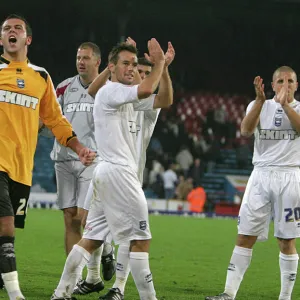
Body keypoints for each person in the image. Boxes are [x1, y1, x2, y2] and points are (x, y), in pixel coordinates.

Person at [51, 39, 172, 300]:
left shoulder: (115, 93)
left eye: (134, 64)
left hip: (106, 172)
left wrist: (164, 68)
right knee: (140, 240)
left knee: (91, 238)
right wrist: (158, 62)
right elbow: (147, 86)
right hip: (120, 174)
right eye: (126, 64)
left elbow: (164, 98)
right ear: (113, 68)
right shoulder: (113, 91)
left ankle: (61, 293)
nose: (131, 68)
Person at [0, 14, 95, 300]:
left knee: (5, 227)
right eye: (6, 29)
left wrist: (78, 147)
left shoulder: (40, 77)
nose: (11, 31)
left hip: (20, 167)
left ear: (27, 39)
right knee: (5, 223)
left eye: (17, 28)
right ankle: (16, 293)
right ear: (1, 39)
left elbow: (56, 120)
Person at [205, 66, 300, 300]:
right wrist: (259, 100)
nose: (285, 85)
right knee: (245, 234)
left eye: (290, 81)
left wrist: (286, 105)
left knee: (286, 239)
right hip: (260, 175)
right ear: (272, 84)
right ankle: (228, 293)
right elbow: (246, 130)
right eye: (280, 81)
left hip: (290, 175)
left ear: (296, 86)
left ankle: (285, 297)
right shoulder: (260, 105)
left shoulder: (298, 108)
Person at [99, 44, 175, 300]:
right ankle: (88, 281)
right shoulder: (119, 94)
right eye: (133, 68)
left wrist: (161, 68)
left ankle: (117, 286)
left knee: (128, 234)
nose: (138, 73)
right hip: (114, 170)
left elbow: (164, 99)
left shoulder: (143, 104)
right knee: (94, 229)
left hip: (132, 172)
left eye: (143, 71)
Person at [40, 42, 116, 295]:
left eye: (85, 58)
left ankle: (106, 249)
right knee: (70, 220)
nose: (80, 62)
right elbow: (49, 116)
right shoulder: (62, 87)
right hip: (63, 158)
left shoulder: (107, 88)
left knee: (86, 218)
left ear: (98, 61)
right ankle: (73, 280)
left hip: (92, 160)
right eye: (78, 57)